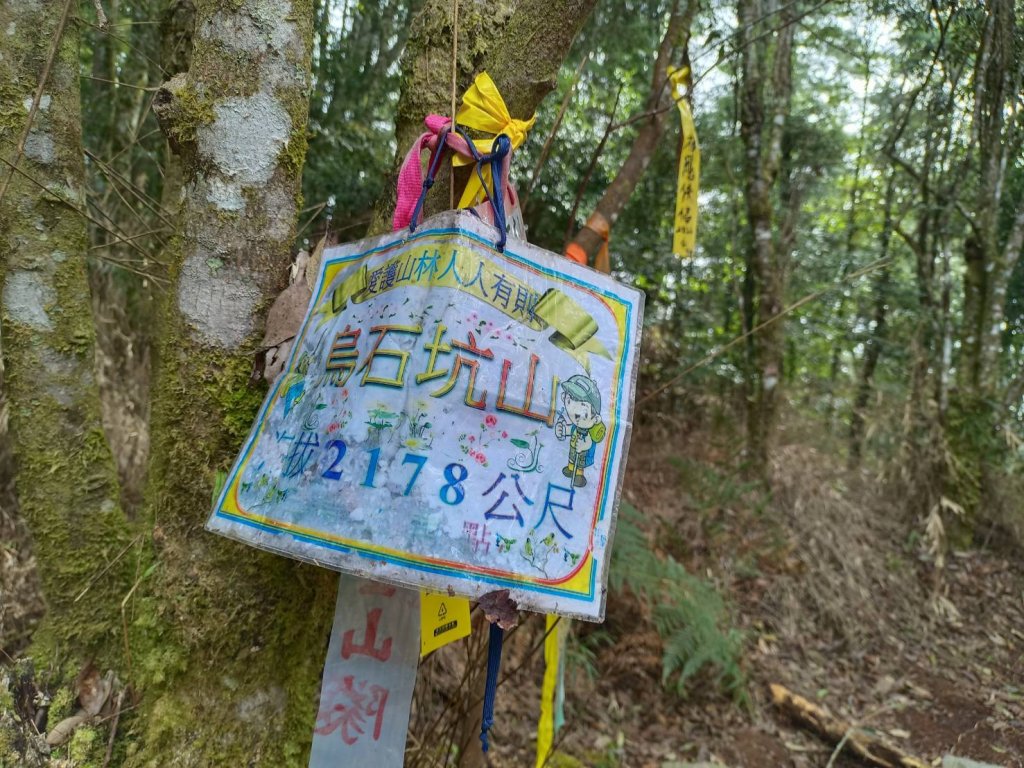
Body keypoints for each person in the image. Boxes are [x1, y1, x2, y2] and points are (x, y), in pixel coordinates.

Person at [554, 374, 606, 487]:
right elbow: (569, 430)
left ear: (596, 418)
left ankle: (579, 475)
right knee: (572, 460)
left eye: (582, 409)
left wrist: (583, 446)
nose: (575, 412)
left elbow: (588, 443)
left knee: (579, 464)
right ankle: (570, 469)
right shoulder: (575, 427)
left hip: (583, 454)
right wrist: (562, 430)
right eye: (569, 402)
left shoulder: (587, 432)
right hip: (573, 451)